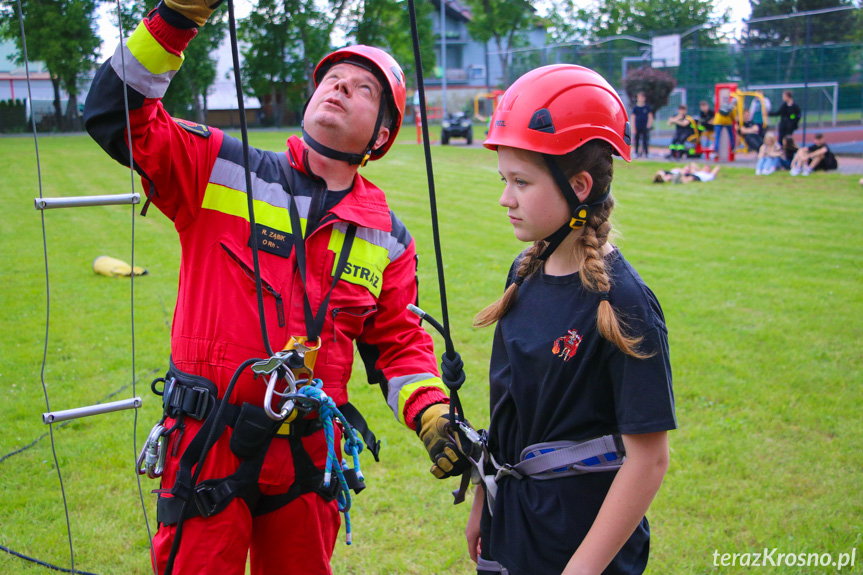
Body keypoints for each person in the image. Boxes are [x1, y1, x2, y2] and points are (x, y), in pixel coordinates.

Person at [83, 1, 469, 573]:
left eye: (361, 88)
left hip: (310, 455)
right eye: (331, 79)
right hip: (209, 440)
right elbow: (116, 113)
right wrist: (177, 17)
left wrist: (432, 412)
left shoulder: (387, 237)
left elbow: (396, 346)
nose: (338, 88)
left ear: (383, 133)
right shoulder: (218, 166)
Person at [466, 64, 676, 575]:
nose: (504, 198)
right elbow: (509, 410)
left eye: (521, 181)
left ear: (579, 185)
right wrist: (481, 503)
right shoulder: (524, 272)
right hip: (513, 527)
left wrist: (582, 569)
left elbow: (648, 460)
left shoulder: (623, 303)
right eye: (503, 180)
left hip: (578, 545)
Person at [630, 91, 653, 158]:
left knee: (645, 140)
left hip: (644, 126)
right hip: (637, 126)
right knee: (636, 140)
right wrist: (633, 127)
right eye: (640, 97)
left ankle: (646, 153)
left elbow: (650, 116)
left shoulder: (647, 108)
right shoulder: (635, 108)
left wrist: (649, 124)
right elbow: (633, 117)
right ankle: (636, 152)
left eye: (642, 97)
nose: (641, 99)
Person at [653, 163, 721, 184]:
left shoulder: (709, 175)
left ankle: (676, 180)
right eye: (705, 167)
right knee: (663, 172)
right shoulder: (698, 172)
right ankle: (659, 178)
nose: (706, 168)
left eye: (708, 168)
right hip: (694, 174)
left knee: (689, 178)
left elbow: (717, 167)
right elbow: (693, 164)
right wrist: (700, 169)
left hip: (697, 177)